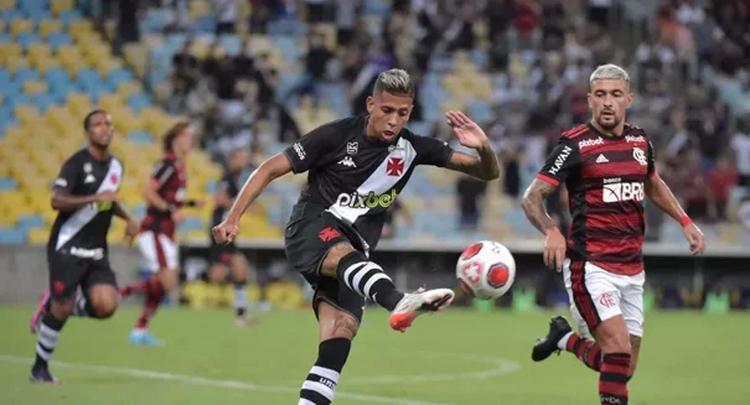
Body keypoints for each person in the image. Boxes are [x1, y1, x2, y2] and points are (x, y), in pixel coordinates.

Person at [212, 69, 499, 405]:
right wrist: (233, 217)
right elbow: (269, 168)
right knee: (343, 253)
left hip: (354, 257)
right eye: (386, 111)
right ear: (370, 104)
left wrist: (484, 146)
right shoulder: (335, 136)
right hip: (312, 227)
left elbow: (487, 172)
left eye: (402, 113)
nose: (393, 121)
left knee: (341, 332)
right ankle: (398, 300)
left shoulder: (414, 148)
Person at [521, 64, 705, 405]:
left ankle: (565, 339)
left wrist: (685, 221)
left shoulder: (639, 140)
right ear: (590, 100)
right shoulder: (574, 144)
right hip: (591, 266)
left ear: (629, 100)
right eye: (601, 95)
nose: (608, 102)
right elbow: (532, 197)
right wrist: (551, 231)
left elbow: (652, 182)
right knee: (618, 349)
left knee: (623, 366)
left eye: (616, 95)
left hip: (632, 269)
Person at [28, 110, 139, 383]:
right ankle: (39, 369)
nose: (105, 129)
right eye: (98, 124)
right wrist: (93, 197)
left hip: (96, 249)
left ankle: (52, 305)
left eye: (109, 124)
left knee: (107, 305)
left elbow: (107, 201)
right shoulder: (76, 164)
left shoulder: (116, 167)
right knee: (63, 308)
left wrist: (128, 218)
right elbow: (57, 200)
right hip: (67, 245)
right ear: (88, 132)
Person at [120, 121, 201, 345]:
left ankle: (140, 330)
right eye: (186, 136)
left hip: (166, 232)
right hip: (154, 229)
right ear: (175, 139)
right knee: (168, 282)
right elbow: (148, 191)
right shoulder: (168, 163)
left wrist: (190, 204)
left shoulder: (180, 166)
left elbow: (170, 197)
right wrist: (172, 210)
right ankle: (120, 293)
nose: (190, 140)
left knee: (165, 283)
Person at [208, 148, 255, 326]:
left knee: (239, 268)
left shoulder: (234, 180)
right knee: (219, 274)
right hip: (221, 231)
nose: (243, 162)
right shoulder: (227, 178)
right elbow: (219, 200)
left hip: (227, 231)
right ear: (232, 159)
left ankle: (241, 315)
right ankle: (188, 281)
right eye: (241, 158)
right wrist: (240, 206)